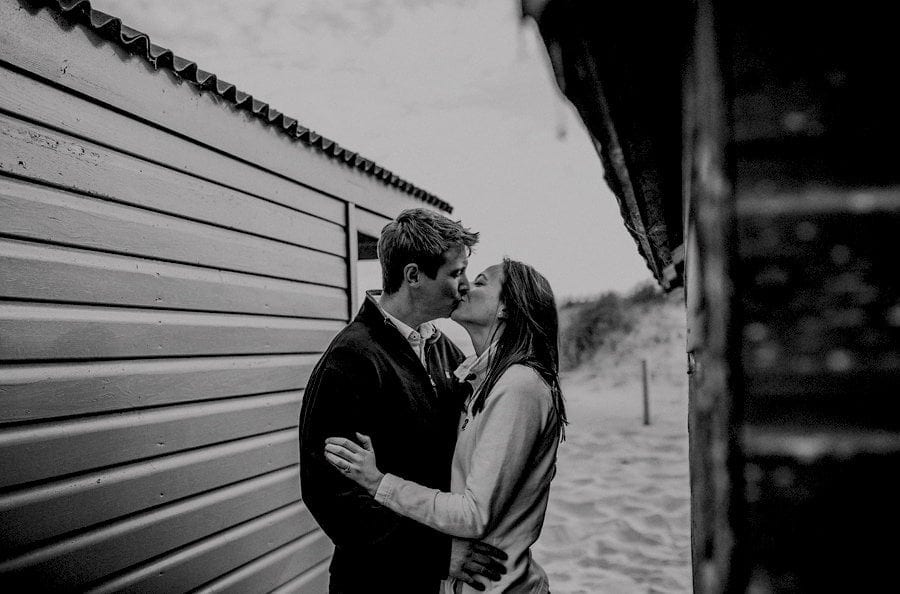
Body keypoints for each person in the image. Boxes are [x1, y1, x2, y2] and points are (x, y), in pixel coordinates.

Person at [325, 258, 568, 593]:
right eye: (460, 275)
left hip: (501, 586)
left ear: (507, 309)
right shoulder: (478, 378)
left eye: (480, 281)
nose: (465, 285)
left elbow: (473, 513)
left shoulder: (519, 386)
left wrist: (380, 482)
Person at [298, 208, 507, 593]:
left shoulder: (442, 348)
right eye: (454, 273)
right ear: (413, 276)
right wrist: (439, 555)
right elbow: (328, 494)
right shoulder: (352, 357)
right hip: (376, 581)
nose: (463, 285)